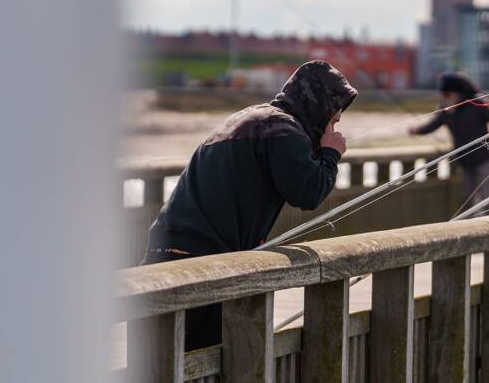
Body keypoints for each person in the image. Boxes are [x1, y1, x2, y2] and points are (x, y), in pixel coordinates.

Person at [142, 60, 357, 348]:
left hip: (165, 252)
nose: (332, 128)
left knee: (160, 368)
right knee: (210, 365)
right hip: (204, 263)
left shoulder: (250, 118)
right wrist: (331, 154)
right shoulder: (283, 129)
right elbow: (308, 192)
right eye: (333, 120)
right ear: (319, 108)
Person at [408, 72, 489, 215]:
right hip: (463, 159)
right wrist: (417, 130)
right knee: (467, 198)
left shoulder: (477, 103)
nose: (445, 97)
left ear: (458, 92)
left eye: (447, 94)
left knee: (485, 196)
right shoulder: (446, 109)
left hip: (483, 157)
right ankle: (471, 228)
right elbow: (433, 125)